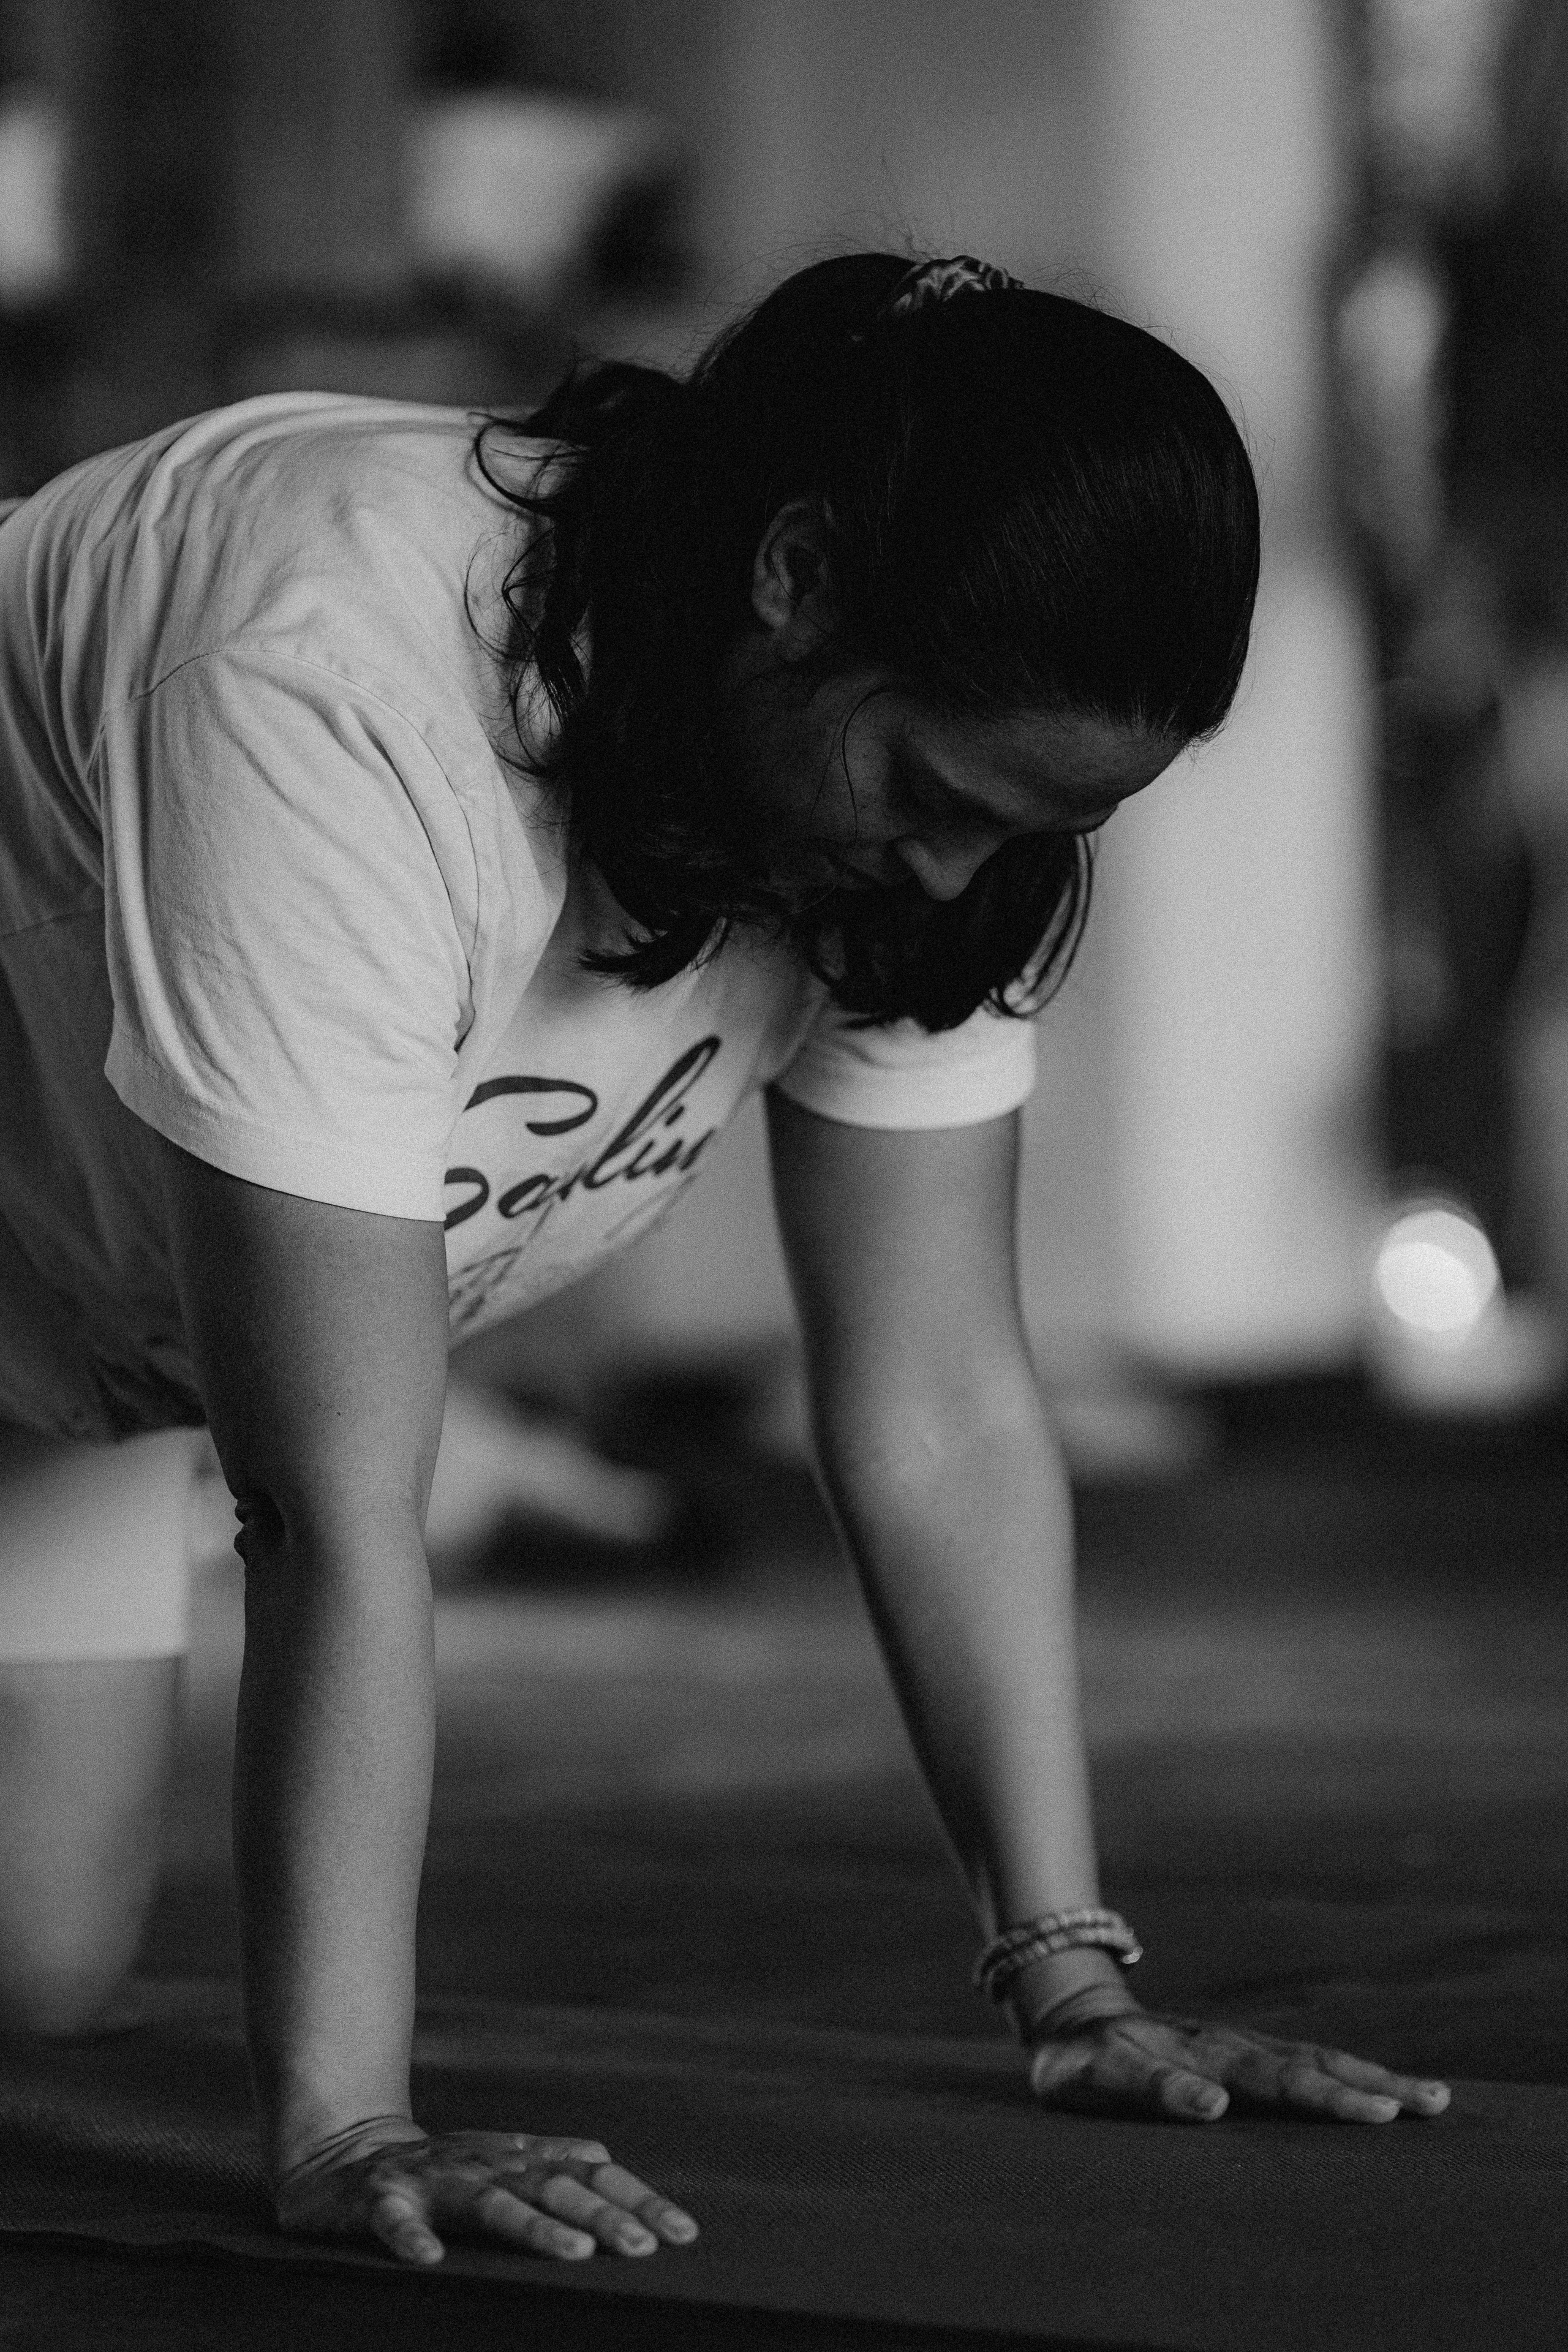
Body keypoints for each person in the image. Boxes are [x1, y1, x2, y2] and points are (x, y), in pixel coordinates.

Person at [0, 251, 1450, 2271]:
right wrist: (347, 2130)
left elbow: (938, 1402)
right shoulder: (329, 675)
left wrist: (1071, 1979)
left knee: (36, 1974)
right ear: (792, 579)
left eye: (1036, 827)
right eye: (937, 792)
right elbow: (328, 1502)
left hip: (71, 1331)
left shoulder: (921, 829)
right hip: (81, 1280)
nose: (957, 873)